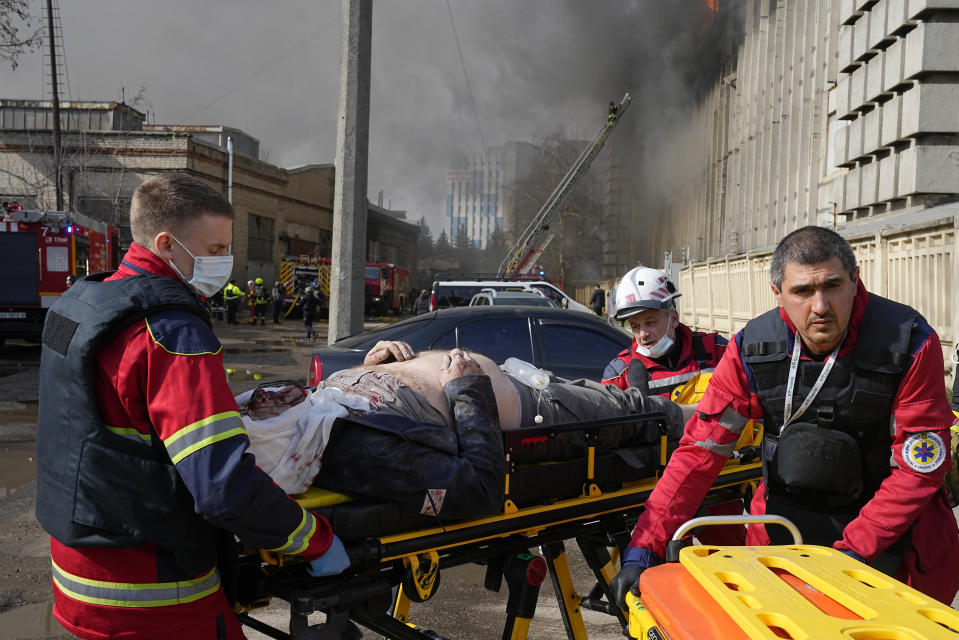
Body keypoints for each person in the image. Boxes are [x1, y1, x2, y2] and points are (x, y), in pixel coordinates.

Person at [34, 173, 349, 640]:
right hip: (154, 594)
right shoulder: (173, 336)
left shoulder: (78, 306)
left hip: (76, 575)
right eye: (215, 248)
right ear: (166, 244)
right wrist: (315, 539)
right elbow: (224, 488)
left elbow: (94, 421)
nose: (224, 261)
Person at [610, 226, 959, 608]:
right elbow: (699, 452)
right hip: (784, 531)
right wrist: (645, 544)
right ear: (778, 294)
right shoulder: (751, 348)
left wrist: (851, 555)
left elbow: (919, 466)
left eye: (833, 285)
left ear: (855, 280)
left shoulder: (908, 341)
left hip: (893, 543)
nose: (821, 306)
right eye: (803, 292)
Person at [602, 267, 727, 398]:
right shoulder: (619, 374)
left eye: (650, 322)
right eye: (635, 326)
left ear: (673, 318)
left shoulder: (717, 350)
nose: (643, 334)